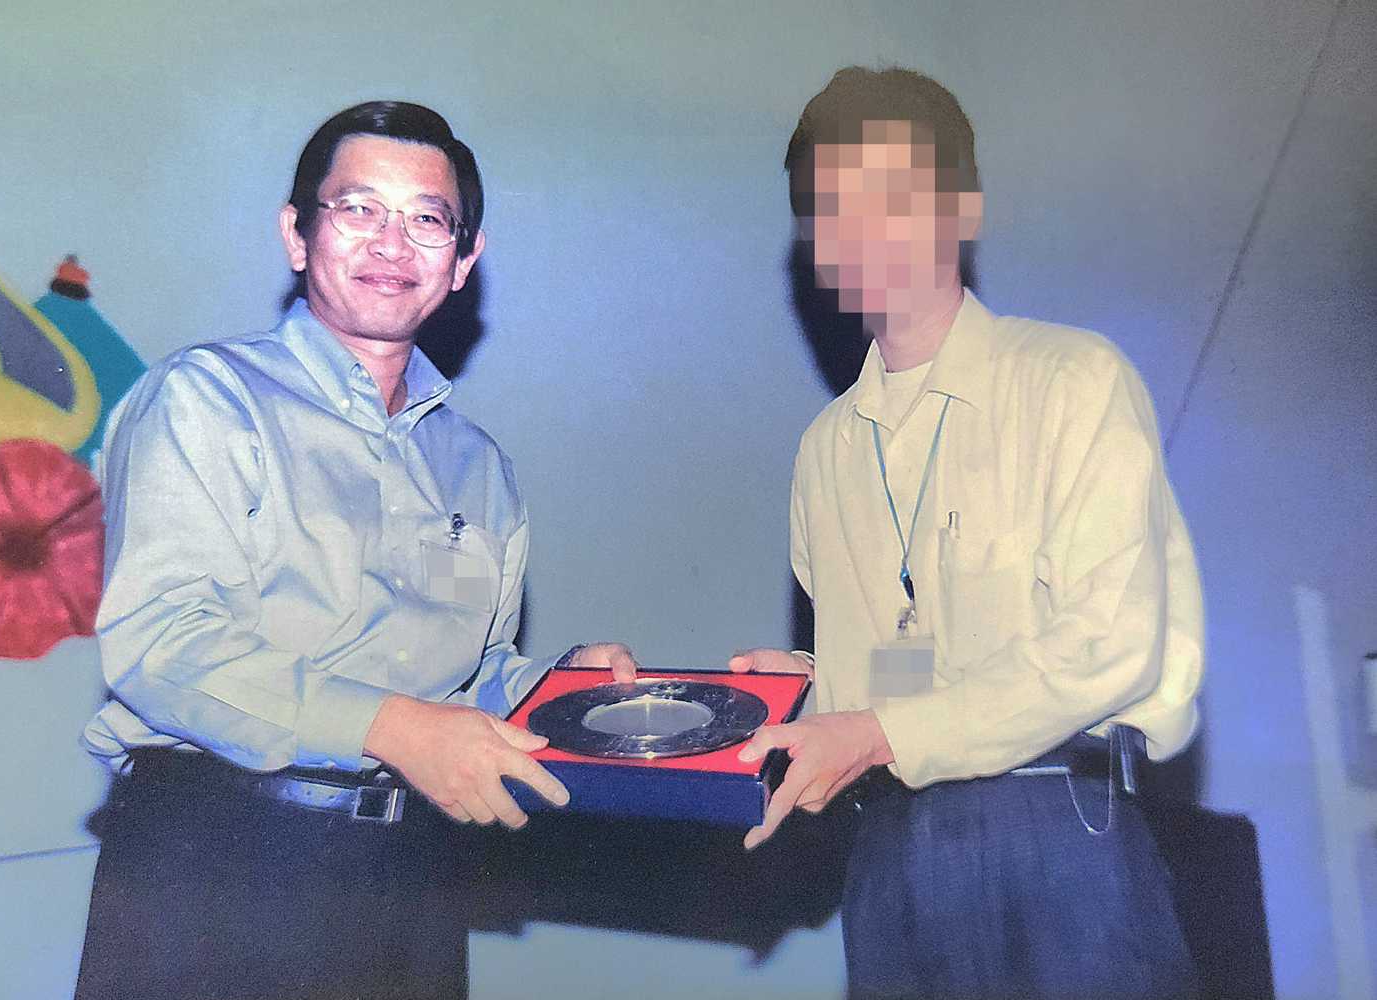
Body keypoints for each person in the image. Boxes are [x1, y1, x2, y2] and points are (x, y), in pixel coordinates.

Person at [75, 100, 634, 1000]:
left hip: (414, 877)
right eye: (358, 209)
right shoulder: (207, 401)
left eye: (426, 219)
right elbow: (163, 648)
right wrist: (397, 730)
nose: (391, 243)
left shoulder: (477, 470)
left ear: (464, 261)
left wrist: (561, 690)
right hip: (219, 863)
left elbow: (463, 681)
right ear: (296, 236)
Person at [731, 67, 1204, 1000]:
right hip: (889, 857)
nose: (859, 230)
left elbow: (1110, 648)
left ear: (964, 209)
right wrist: (804, 695)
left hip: (1060, 831)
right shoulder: (824, 448)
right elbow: (895, 671)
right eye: (829, 206)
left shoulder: (1072, 379)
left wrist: (871, 728)